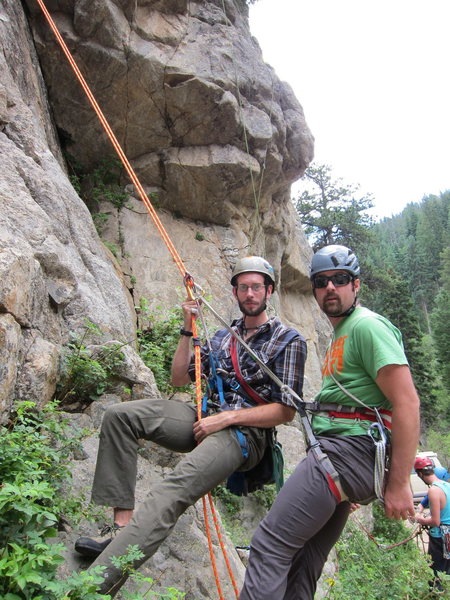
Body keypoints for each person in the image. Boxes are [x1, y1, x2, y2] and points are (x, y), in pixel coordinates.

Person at [74, 256, 307, 596]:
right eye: (244, 287)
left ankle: (92, 588)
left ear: (269, 290)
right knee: (120, 416)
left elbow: (285, 411)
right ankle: (121, 530)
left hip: (245, 434)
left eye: (257, 286)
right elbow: (179, 377)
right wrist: (188, 325)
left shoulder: (288, 340)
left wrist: (227, 418)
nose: (250, 293)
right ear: (235, 292)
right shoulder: (223, 336)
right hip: (204, 416)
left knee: (172, 490)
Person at [240, 244, 421, 600]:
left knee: (268, 545)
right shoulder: (343, 334)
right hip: (348, 460)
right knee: (305, 559)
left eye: (340, 279)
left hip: (344, 453)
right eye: (322, 282)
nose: (330, 288)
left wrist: (399, 483)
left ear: (356, 285)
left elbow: (408, 402)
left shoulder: (367, 327)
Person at [413, 456, 450, 586]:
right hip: (448, 536)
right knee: (447, 570)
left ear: (420, 474)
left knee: (436, 573)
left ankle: (436, 594)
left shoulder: (434, 490)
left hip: (440, 538)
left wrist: (419, 519)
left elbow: (435, 521)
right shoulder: (447, 486)